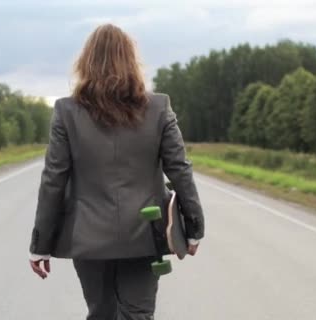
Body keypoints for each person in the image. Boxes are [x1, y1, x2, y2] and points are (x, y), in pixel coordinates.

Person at [28, 24, 205, 320]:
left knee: (101, 313)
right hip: (146, 235)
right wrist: (194, 227)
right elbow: (180, 170)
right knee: (138, 314)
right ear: (131, 61)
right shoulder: (159, 107)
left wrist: (40, 246)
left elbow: (53, 181)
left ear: (86, 62)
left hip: (88, 239)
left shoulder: (66, 112)